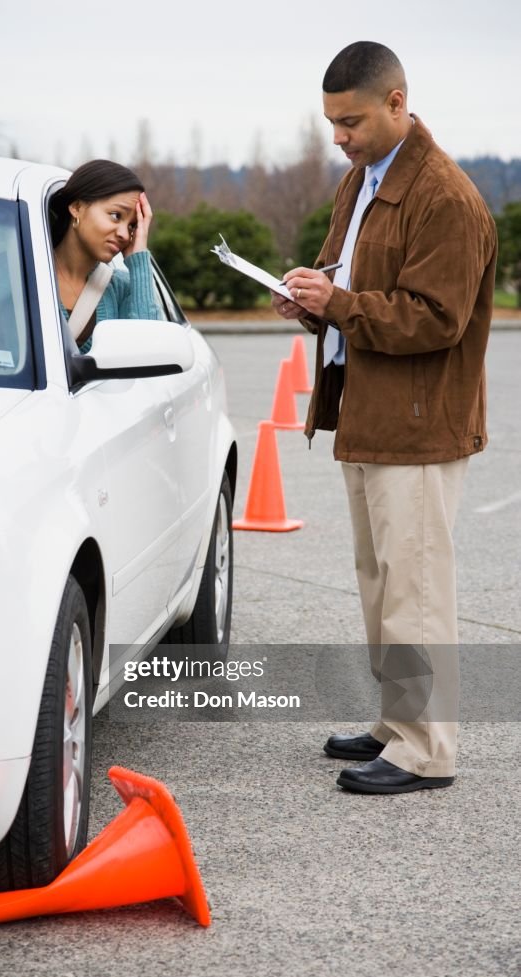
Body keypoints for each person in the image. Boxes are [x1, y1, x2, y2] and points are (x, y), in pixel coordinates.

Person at [272, 41, 497, 795]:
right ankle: (396, 721)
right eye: (332, 122)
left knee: (416, 586)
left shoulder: (447, 198)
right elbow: (347, 284)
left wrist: (335, 304)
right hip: (368, 413)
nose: (339, 135)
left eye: (352, 120)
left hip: (419, 422)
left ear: (397, 104)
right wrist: (309, 299)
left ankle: (427, 747)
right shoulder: (361, 183)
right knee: (379, 580)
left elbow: (435, 319)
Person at [0, 159, 160, 353]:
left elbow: (149, 351)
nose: (125, 234)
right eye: (116, 216)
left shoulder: (125, 288)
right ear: (77, 207)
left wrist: (138, 258)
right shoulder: (22, 270)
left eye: (133, 226)